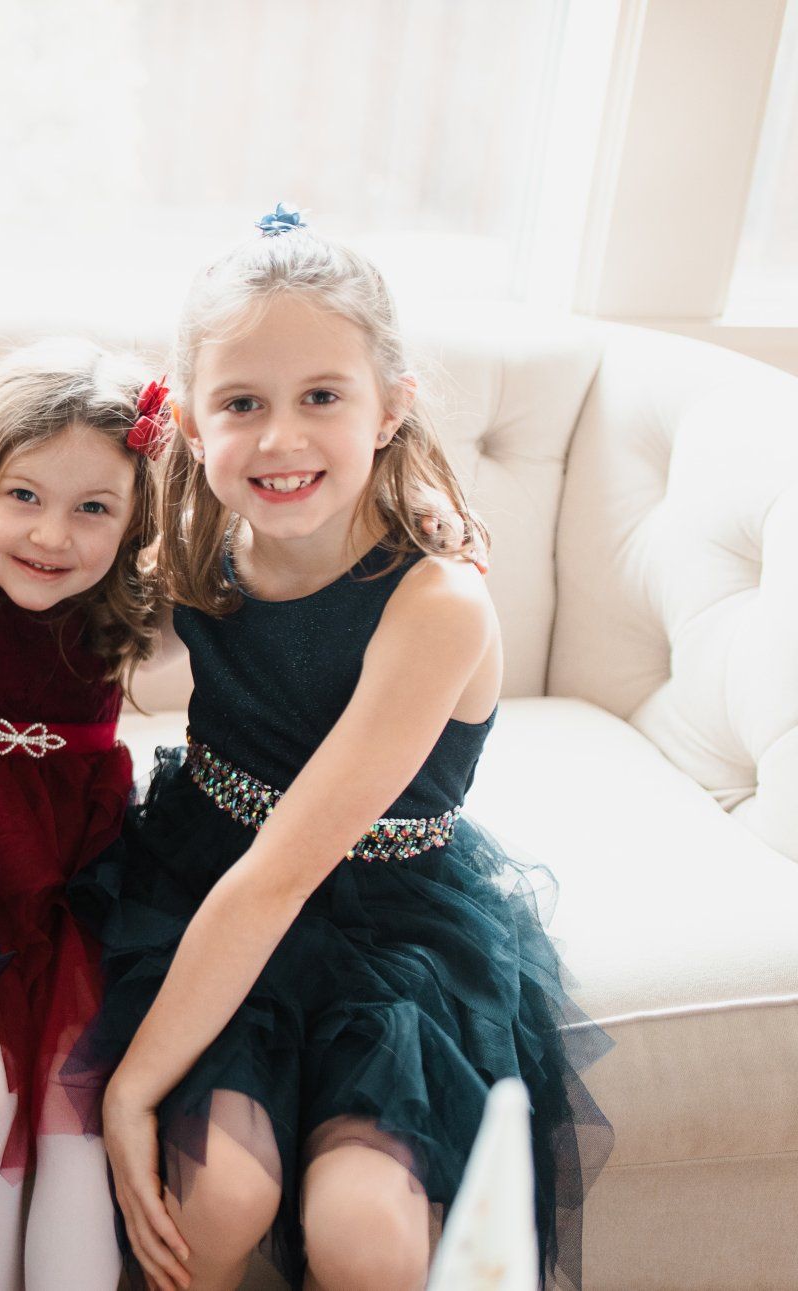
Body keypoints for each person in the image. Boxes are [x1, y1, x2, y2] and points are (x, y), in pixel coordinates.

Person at [71, 212, 611, 1291]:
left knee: (369, 1235)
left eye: (323, 396)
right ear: (187, 420)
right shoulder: (196, 536)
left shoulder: (437, 604)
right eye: (242, 404)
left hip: (388, 924)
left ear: (390, 406)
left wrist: (130, 1090)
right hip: (206, 873)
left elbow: (282, 876)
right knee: (222, 1194)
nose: (280, 440)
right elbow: (15, 544)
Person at [0, 339, 166, 1291]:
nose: (53, 536)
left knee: (77, 1118)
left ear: (136, 522)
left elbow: (265, 562)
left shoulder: (131, 600)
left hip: (79, 880)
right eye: (22, 495)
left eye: (93, 508)